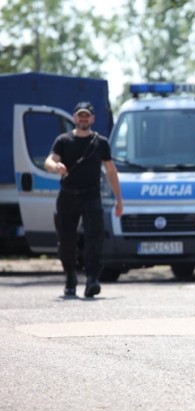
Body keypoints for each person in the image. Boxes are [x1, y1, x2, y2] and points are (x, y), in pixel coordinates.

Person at [44, 102, 123, 298]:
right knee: (67, 240)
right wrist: (55, 167)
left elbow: (111, 171)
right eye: (80, 115)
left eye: (87, 115)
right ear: (74, 118)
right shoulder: (63, 140)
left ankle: (92, 279)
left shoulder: (100, 143)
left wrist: (119, 200)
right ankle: (70, 277)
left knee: (95, 238)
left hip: (91, 195)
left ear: (93, 119)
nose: (83, 119)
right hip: (68, 195)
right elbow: (49, 160)